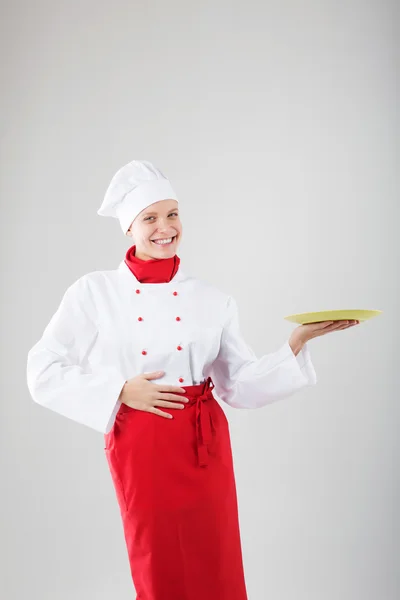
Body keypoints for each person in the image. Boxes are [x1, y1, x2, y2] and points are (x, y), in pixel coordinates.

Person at [26, 160, 359, 600]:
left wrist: (294, 344)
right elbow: (42, 369)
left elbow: (237, 384)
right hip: (141, 441)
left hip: (204, 440)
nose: (165, 227)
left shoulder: (211, 298)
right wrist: (121, 390)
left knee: (216, 560)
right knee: (158, 561)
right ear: (129, 227)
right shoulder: (93, 292)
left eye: (173, 214)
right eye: (150, 218)